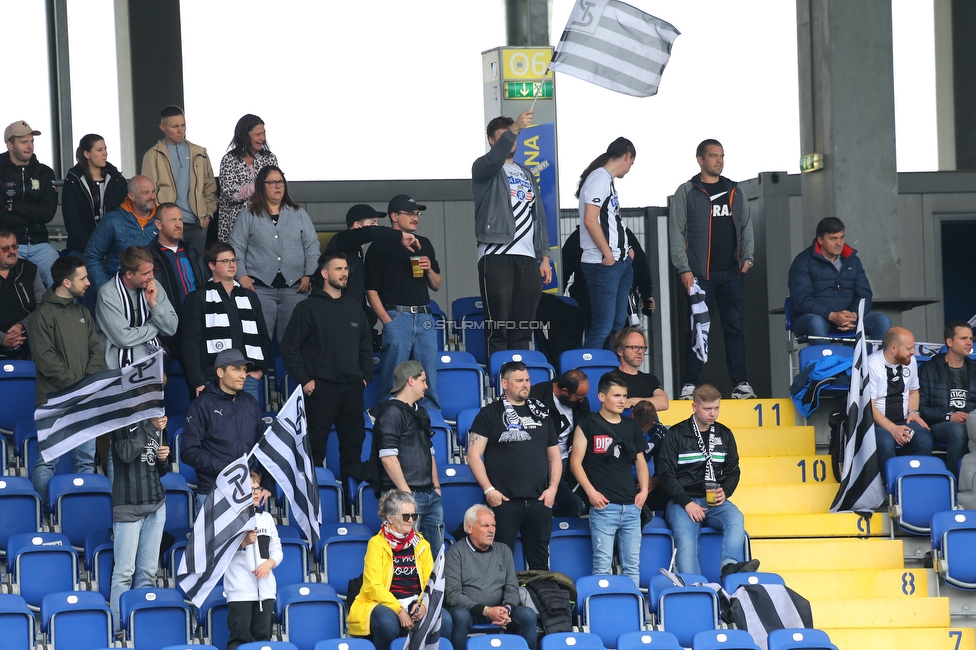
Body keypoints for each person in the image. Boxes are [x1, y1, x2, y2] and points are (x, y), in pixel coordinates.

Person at [669, 139, 755, 400]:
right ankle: (689, 385)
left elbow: (746, 225)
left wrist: (748, 259)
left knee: (735, 329)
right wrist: (683, 269)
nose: (719, 160)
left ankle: (741, 384)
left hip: (731, 274)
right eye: (713, 156)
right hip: (699, 277)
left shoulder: (735, 190)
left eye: (722, 156)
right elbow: (676, 231)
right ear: (700, 159)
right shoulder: (687, 191)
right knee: (697, 329)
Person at [280, 251, 371, 480]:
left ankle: (351, 506)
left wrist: (364, 378)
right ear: (324, 273)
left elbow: (366, 347)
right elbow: (289, 347)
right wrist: (305, 380)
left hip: (352, 389)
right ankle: (317, 505)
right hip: (320, 390)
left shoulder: (354, 307)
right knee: (314, 449)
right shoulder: (307, 308)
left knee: (353, 450)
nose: (344, 273)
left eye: (346, 269)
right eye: (338, 268)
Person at [466, 361, 560, 570]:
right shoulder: (489, 413)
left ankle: (537, 601)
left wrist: (552, 489)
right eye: (519, 381)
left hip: (539, 501)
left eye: (527, 380)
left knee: (539, 564)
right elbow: (473, 455)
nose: (525, 384)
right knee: (498, 563)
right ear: (504, 383)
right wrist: (489, 490)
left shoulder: (542, 413)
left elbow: (554, 455)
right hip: (504, 502)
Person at [471, 110, 551, 355]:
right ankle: (500, 385)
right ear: (492, 141)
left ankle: (519, 384)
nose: (512, 139)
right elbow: (493, 159)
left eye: (514, 135)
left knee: (523, 328)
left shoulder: (526, 173)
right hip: (497, 254)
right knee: (499, 327)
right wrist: (515, 126)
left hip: (528, 258)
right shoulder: (485, 169)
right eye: (505, 135)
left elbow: (540, 217)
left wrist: (545, 256)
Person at [658, 384, 758, 577]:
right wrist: (686, 503)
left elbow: (733, 470)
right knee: (687, 541)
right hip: (682, 501)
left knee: (736, 518)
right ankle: (695, 587)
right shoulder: (676, 434)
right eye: (707, 409)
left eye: (716, 408)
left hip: (713, 499)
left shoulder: (724, 433)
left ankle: (729, 566)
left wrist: (725, 491)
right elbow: (665, 474)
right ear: (694, 407)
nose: (713, 413)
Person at [27, 256, 103, 507]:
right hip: (54, 401)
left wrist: (86, 385)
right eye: (83, 278)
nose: (89, 283)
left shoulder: (83, 311)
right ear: (67, 281)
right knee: (47, 461)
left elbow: (96, 351)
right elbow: (46, 359)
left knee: (86, 460)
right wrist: (78, 385)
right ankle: (43, 513)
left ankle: (82, 511)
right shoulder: (41, 316)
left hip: (83, 399)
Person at [570, 372, 648, 587]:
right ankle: (602, 615)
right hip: (604, 507)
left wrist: (644, 491)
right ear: (602, 397)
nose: (622, 400)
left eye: (624, 396)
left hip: (631, 507)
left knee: (632, 566)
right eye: (616, 395)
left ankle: (632, 614)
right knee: (601, 566)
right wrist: (591, 492)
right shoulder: (587, 424)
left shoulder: (631, 426)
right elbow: (575, 462)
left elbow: (640, 460)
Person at [349, 490, 453, 650]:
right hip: (384, 603)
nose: (411, 520)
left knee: (444, 619)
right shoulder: (376, 544)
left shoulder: (422, 544)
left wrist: (423, 604)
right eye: (406, 516)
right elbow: (373, 586)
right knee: (387, 622)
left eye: (414, 516)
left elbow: (429, 582)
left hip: (414, 600)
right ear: (390, 517)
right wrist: (399, 610)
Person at [365, 194, 442, 410]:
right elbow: (371, 290)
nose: (415, 218)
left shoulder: (423, 243)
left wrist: (429, 270)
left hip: (425, 315)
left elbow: (437, 285)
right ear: (394, 217)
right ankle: (386, 419)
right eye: (410, 214)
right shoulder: (379, 246)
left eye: (417, 214)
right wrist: (387, 320)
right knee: (393, 376)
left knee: (428, 378)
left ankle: (431, 425)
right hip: (397, 315)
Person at [229, 165, 319, 343]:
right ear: (261, 186)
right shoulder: (248, 215)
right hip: (260, 288)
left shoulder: (299, 214)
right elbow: (236, 247)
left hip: (296, 288)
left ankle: (289, 372)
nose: (278, 186)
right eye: (272, 182)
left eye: (281, 182)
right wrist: (242, 276)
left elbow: (312, 246)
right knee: (258, 337)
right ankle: (261, 371)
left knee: (295, 339)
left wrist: (310, 275)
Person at [180, 349, 271, 513]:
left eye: (244, 370)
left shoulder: (250, 403)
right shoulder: (202, 405)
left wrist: (268, 484)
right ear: (220, 372)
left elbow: (263, 446)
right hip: (213, 493)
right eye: (236, 369)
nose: (243, 375)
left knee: (249, 540)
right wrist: (229, 469)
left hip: (246, 494)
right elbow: (188, 451)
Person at [368, 361, 444, 555]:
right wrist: (407, 495)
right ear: (411, 380)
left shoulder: (421, 412)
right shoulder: (392, 413)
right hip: (405, 497)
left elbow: (430, 452)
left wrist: (436, 487)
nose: (427, 386)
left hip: (428, 494)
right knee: (405, 557)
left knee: (434, 557)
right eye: (423, 380)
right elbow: (387, 458)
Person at [181, 242, 271, 403]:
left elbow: (263, 336)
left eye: (234, 260)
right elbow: (190, 344)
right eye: (225, 261)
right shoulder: (198, 298)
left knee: (248, 425)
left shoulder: (250, 297)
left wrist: (261, 369)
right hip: (213, 378)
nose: (232, 265)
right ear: (212, 265)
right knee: (216, 426)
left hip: (247, 378)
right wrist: (198, 381)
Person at [109, 415, 169, 639]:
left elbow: (157, 468)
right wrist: (150, 427)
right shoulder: (120, 420)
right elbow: (125, 454)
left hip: (156, 503)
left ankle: (141, 630)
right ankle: (118, 631)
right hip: (127, 505)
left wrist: (163, 459)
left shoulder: (157, 419)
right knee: (124, 574)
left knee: (148, 574)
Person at [444, 505, 537, 650]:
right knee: (460, 616)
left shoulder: (503, 550)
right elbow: (452, 595)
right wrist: (486, 611)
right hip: (468, 611)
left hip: (499, 609)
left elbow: (512, 588)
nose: (491, 530)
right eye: (485, 525)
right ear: (469, 528)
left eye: (493, 525)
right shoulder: (455, 552)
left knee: (528, 615)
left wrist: (506, 608)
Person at [576, 137, 637, 349]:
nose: (629, 168)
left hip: (619, 262)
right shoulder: (599, 179)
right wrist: (607, 253)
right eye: (631, 163)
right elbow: (590, 220)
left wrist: (626, 249)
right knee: (602, 325)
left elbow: (611, 219)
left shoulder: (606, 180)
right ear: (627, 156)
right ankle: (586, 374)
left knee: (617, 324)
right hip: (603, 263)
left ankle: (609, 374)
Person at [787, 216, 891, 342]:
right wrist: (831, 315)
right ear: (820, 239)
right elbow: (801, 300)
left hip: (849, 320)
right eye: (833, 238)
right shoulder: (803, 262)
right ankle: (826, 362)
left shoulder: (853, 261)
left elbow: (864, 294)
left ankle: (868, 361)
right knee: (816, 322)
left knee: (882, 321)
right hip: (814, 320)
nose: (839, 243)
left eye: (842, 237)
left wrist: (853, 314)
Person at [141, 105, 218, 255]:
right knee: (172, 269)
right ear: (162, 127)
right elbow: (148, 193)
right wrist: (162, 220)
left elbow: (210, 189)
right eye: (175, 126)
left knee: (197, 272)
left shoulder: (199, 153)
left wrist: (207, 217)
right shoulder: (152, 155)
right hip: (168, 225)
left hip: (197, 224)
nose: (181, 130)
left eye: (183, 125)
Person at [325, 203, 421, 320]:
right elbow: (370, 232)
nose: (376, 226)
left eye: (377, 223)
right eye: (372, 223)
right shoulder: (343, 239)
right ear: (356, 225)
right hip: (338, 315)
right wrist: (400, 236)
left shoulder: (358, 251)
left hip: (352, 314)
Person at [868, 327, 935, 481]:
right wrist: (893, 429)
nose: (913, 352)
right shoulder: (872, 365)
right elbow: (869, 407)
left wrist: (913, 412)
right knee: (885, 441)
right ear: (893, 349)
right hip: (877, 424)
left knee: (923, 437)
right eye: (909, 348)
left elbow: (913, 391)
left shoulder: (909, 361)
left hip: (903, 420)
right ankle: (892, 489)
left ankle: (918, 483)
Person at [225, 470, 282, 650]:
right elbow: (219, 552)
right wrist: (243, 542)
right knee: (239, 640)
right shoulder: (230, 519)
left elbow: (277, 550)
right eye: (251, 490)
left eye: (258, 489)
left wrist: (269, 564)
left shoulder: (267, 518)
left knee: (262, 641)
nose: (256, 493)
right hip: (240, 590)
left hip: (265, 591)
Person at [95, 245, 177, 370]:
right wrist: (154, 328)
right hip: (118, 370)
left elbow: (171, 328)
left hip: (151, 365)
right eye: (146, 273)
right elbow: (124, 339)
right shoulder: (108, 293)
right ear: (129, 274)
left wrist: (154, 304)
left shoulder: (153, 285)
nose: (151, 276)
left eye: (152, 271)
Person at [562, 224, 655, 328]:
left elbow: (563, 270)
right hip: (617, 301)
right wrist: (646, 293)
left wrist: (646, 293)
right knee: (621, 338)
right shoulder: (622, 233)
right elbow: (640, 263)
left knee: (596, 335)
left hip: (590, 301)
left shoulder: (579, 236)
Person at [148, 202, 205, 371]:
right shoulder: (148, 256)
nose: (179, 224)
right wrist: (153, 336)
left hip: (195, 332)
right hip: (165, 334)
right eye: (172, 220)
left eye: (180, 219)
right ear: (158, 224)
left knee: (198, 387)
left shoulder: (192, 252)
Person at [0, 121, 58, 286]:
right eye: (24, 142)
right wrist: (34, 215)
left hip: (40, 244)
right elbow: (1, 217)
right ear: (10, 145)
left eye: (32, 141)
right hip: (6, 245)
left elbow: (48, 213)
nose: (30, 146)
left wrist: (15, 206)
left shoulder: (44, 172)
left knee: (62, 281)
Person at [528, 369, 591, 517]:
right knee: (573, 501)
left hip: (571, 460)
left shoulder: (581, 403)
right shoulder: (535, 397)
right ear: (564, 391)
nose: (582, 401)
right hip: (541, 463)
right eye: (578, 397)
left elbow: (586, 431)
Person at [919, 321, 976, 480]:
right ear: (949, 342)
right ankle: (955, 484)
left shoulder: (974, 369)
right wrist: (949, 416)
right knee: (958, 431)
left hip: (971, 423)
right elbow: (921, 408)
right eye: (964, 338)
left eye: (971, 338)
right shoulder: (928, 369)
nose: (969, 342)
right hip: (938, 425)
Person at [84, 176, 160, 290]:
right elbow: (92, 256)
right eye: (146, 192)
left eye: (153, 191)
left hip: (154, 289)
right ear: (131, 196)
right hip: (119, 290)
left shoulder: (162, 219)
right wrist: (106, 288)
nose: (152, 196)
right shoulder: (112, 221)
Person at [62, 133, 127, 256]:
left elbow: (124, 216)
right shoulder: (73, 182)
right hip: (82, 248)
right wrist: (93, 249)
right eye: (99, 150)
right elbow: (73, 224)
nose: (105, 153)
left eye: (105, 149)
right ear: (87, 154)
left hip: (114, 246)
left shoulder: (117, 180)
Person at [217, 114, 278, 242]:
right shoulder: (230, 160)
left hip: (264, 223)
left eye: (264, 133)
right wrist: (260, 185)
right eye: (258, 134)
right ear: (245, 135)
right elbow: (230, 193)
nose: (263, 138)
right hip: (235, 226)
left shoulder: (269, 158)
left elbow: (275, 187)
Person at [0, 228, 44, 358]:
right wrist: (2, 338)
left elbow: (43, 305)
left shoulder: (29, 269)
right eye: (5, 248)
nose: (12, 251)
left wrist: (22, 325)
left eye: (14, 246)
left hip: (29, 336)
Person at [611, 326, 669, 411]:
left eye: (642, 348)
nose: (640, 352)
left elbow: (663, 403)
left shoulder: (650, 379)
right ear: (620, 351)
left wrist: (632, 401)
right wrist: (650, 402)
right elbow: (615, 405)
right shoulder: (611, 379)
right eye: (634, 347)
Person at [632, 400, 671, 516]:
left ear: (652, 424)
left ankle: (664, 525)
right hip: (623, 478)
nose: (636, 430)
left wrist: (655, 481)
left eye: (640, 428)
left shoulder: (660, 434)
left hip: (645, 477)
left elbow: (666, 467)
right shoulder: (620, 424)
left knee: (669, 488)